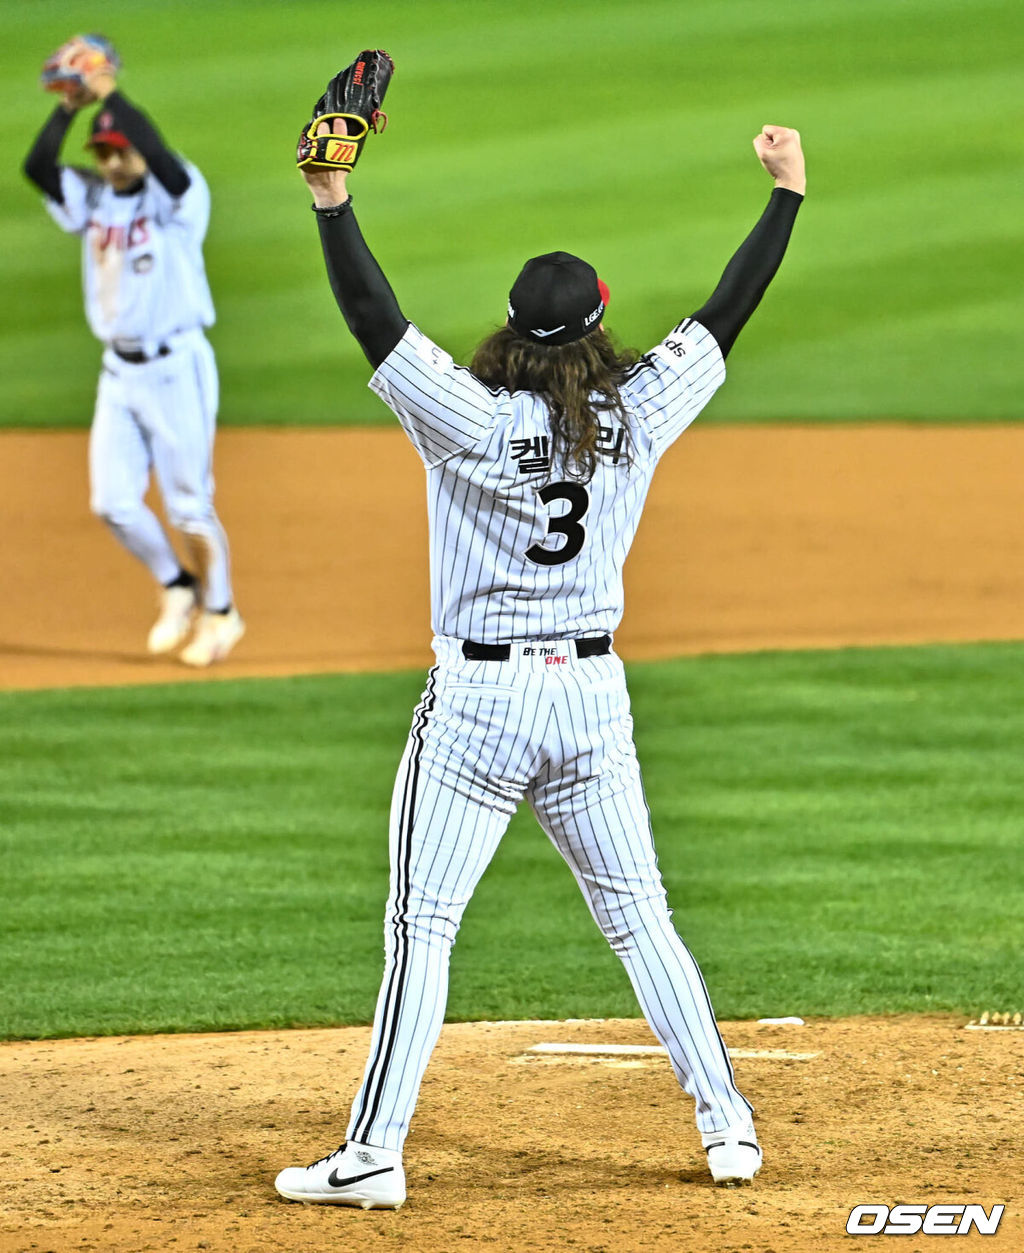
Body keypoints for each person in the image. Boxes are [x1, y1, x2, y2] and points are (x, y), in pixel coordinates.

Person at [275, 111, 805, 1209]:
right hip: (590, 699)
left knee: (421, 925)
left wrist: (333, 201)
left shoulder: (463, 418)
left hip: (476, 701)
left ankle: (374, 1152)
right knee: (640, 915)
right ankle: (728, 1128)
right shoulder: (637, 409)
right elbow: (725, 313)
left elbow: (377, 322)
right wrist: (783, 195)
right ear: (601, 326)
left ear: (510, 331)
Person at [22, 36, 244, 667]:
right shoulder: (91, 200)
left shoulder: (178, 198)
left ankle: (222, 613)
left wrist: (109, 93)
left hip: (177, 368)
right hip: (118, 372)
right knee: (113, 503)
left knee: (188, 505)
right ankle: (178, 587)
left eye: (120, 149)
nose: (112, 160)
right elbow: (38, 168)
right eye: (104, 150)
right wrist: (71, 107)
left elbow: (161, 159)